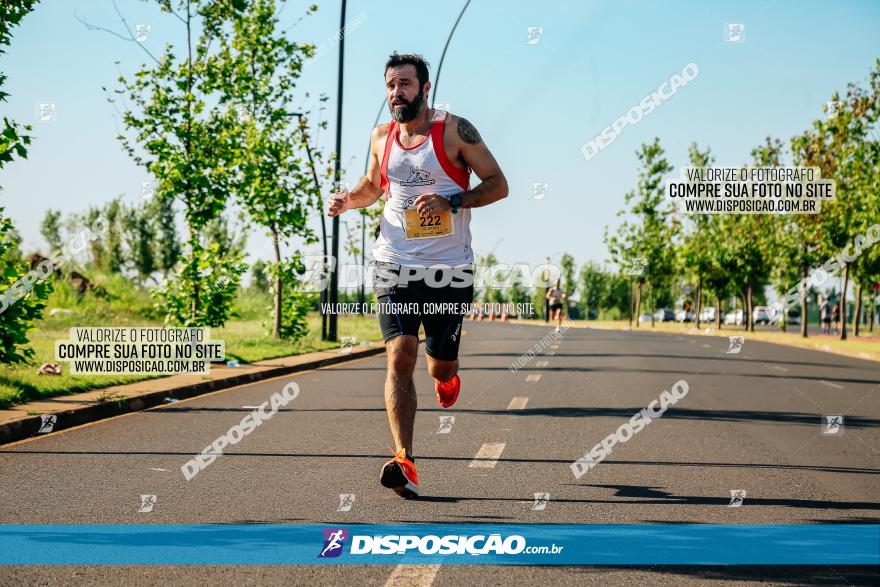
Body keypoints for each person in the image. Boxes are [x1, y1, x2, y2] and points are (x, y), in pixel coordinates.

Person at [328, 53, 508, 498]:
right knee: (399, 355)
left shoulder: (455, 132)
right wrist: (349, 200)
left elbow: (499, 184)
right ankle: (404, 458)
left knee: (438, 364)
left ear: (424, 88)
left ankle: (447, 376)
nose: (396, 92)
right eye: (391, 85)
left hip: (449, 271)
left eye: (405, 84)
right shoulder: (380, 136)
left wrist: (454, 202)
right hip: (393, 263)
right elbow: (374, 187)